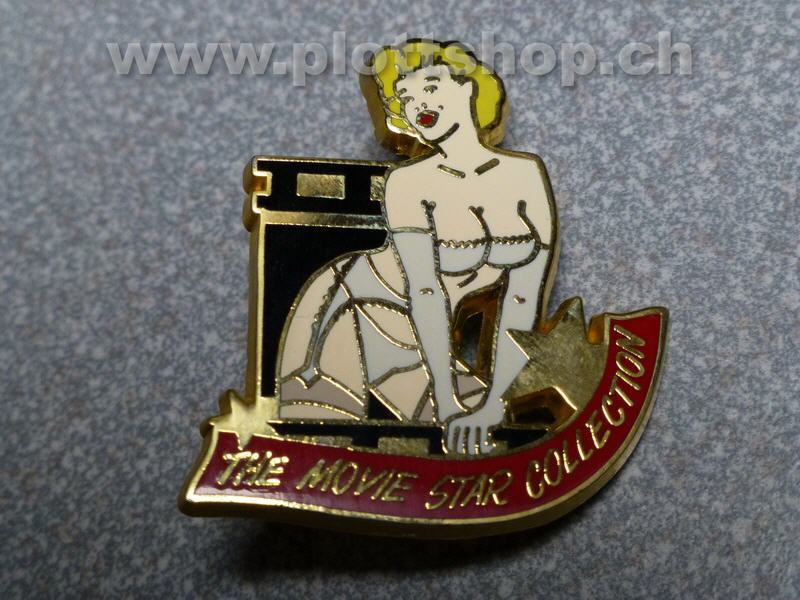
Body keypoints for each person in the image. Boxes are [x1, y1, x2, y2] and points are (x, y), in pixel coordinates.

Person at [276, 40, 557, 455]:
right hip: (362, 306)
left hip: (431, 335)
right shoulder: (408, 182)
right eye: (404, 97)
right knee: (326, 441)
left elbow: (522, 299)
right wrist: (447, 403)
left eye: (430, 86)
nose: (416, 104)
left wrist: (497, 401)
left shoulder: (525, 174)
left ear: (467, 88)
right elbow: (424, 291)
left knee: (486, 437)